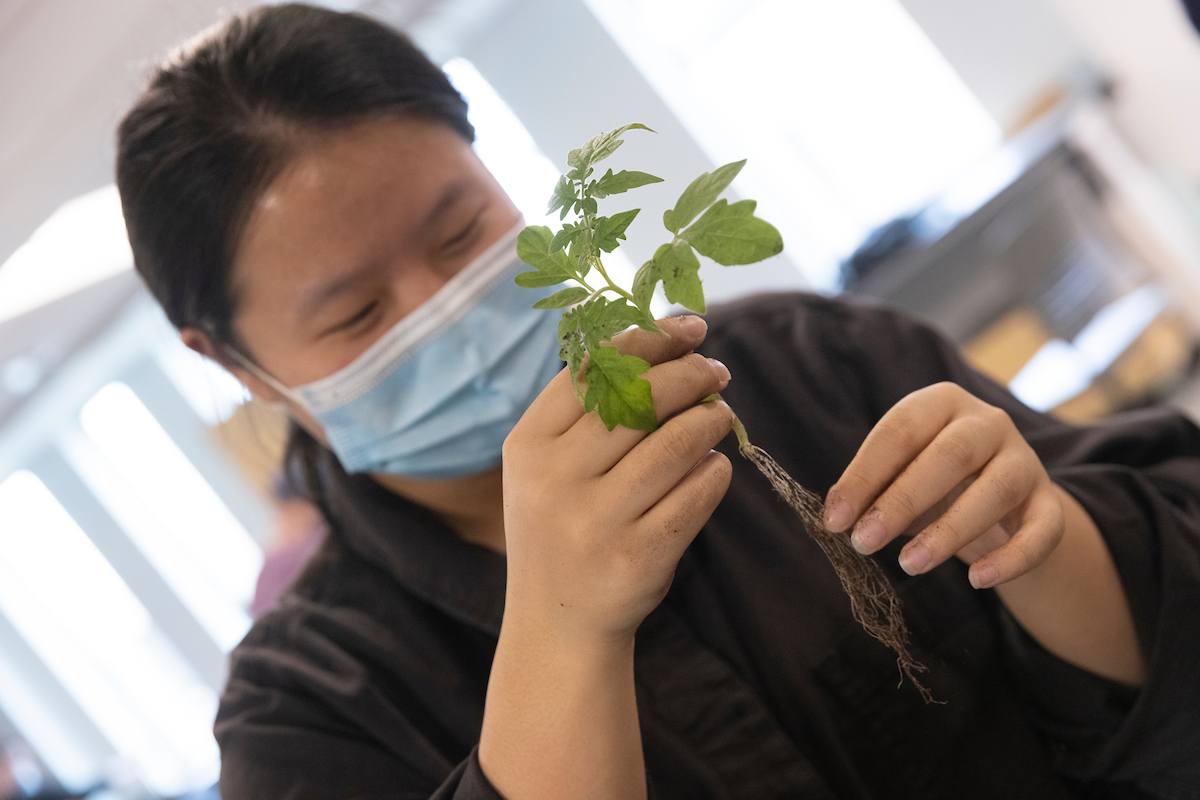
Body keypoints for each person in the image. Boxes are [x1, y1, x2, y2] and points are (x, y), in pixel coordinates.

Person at [115, 5, 1200, 798]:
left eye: (462, 234)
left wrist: (1053, 546)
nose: (446, 308)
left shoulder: (812, 365)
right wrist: (563, 627)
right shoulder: (311, 710)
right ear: (235, 365)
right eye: (357, 313)